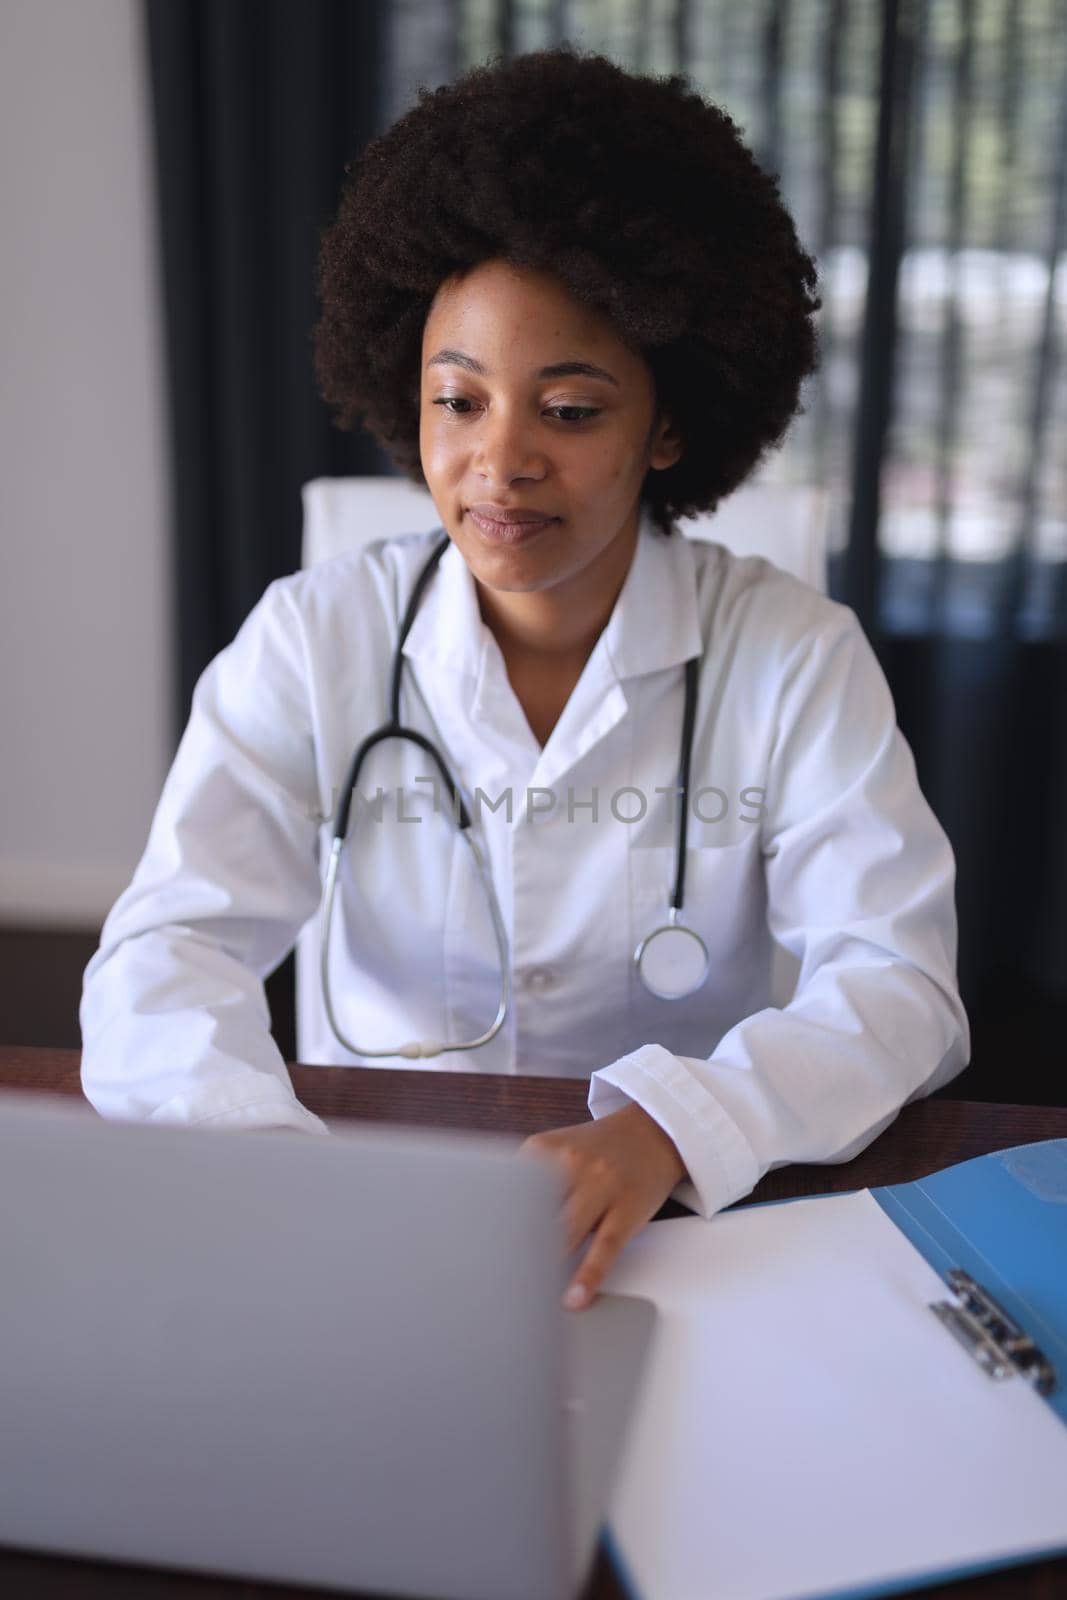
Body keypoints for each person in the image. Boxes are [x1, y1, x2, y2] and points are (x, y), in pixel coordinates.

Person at [80, 47, 969, 1312]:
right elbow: (164, 952)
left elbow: (899, 988)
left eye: (567, 410)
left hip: (672, 1226)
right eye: (459, 400)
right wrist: (272, 1176)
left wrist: (669, 1126)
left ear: (665, 428)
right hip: (364, 1211)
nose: (497, 465)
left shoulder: (790, 654)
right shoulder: (311, 637)